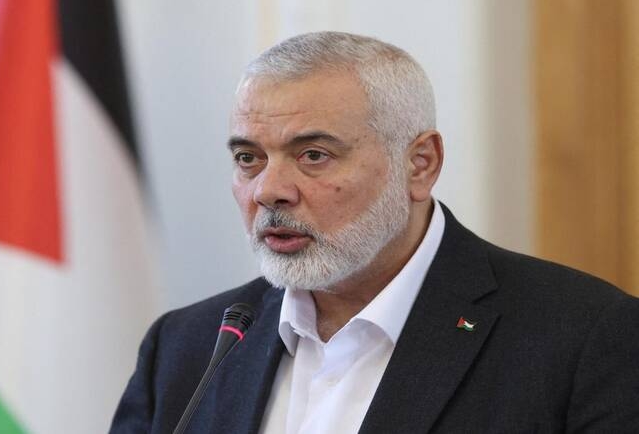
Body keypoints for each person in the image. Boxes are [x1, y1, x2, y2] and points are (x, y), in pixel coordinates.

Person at [110, 32, 639, 433]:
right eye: (249, 158)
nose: (269, 190)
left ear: (420, 164)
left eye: (313, 155)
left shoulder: (584, 337)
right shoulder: (187, 347)